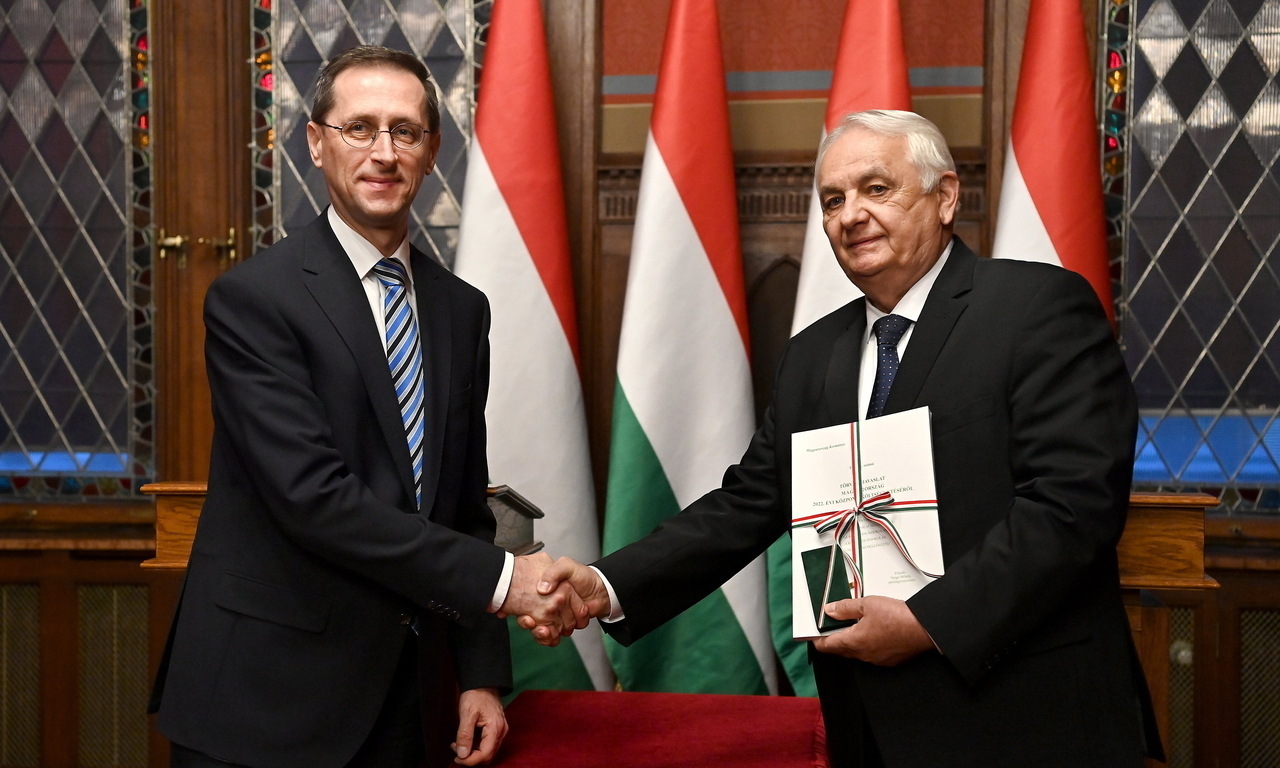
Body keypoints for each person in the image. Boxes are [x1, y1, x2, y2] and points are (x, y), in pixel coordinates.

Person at [527, 110, 1162, 768]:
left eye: (876, 189)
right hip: (868, 723)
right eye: (832, 200)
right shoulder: (813, 355)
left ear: (945, 196)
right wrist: (606, 584)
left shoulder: (1036, 307)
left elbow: (1072, 505)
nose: (850, 215)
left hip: (1025, 717)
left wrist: (928, 621)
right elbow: (747, 505)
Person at [149, 46, 582, 768]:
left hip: (411, 700)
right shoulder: (254, 300)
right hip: (267, 699)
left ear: (431, 151)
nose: (384, 153)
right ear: (317, 143)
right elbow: (312, 498)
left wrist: (479, 674)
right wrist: (508, 584)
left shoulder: (461, 310)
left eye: (405, 131)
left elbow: (462, 504)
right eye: (359, 128)